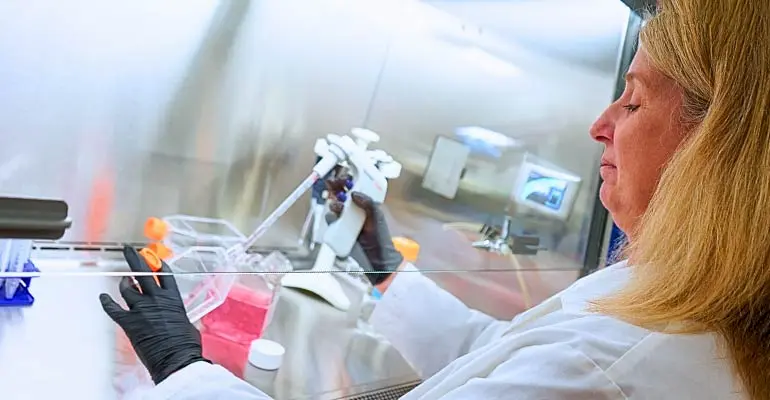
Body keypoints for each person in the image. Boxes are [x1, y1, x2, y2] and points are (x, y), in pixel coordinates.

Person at [100, 1, 770, 398]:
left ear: (715, 147)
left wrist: (186, 368)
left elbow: (563, 367)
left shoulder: (625, 362)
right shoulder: (669, 303)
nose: (600, 124)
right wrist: (386, 268)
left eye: (633, 98)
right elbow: (503, 353)